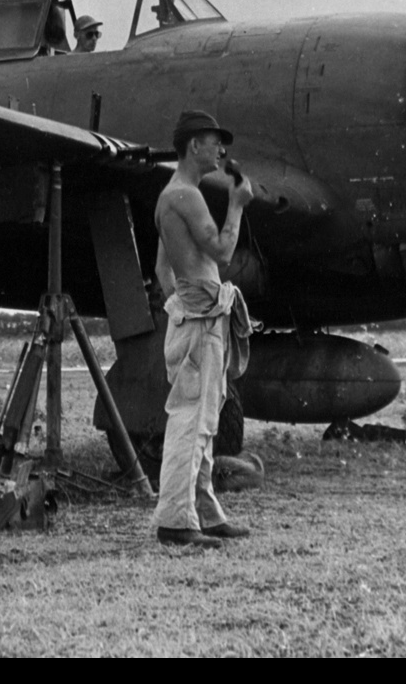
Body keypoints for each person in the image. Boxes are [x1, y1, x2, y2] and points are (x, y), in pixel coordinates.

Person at [151, 109, 254, 548]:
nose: (221, 151)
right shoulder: (188, 196)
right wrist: (236, 204)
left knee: (203, 420)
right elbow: (223, 251)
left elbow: (161, 268)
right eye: (215, 142)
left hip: (195, 317)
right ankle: (176, 520)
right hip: (201, 322)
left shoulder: (169, 196)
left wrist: (184, 303)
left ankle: (204, 512)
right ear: (195, 145)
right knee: (192, 421)